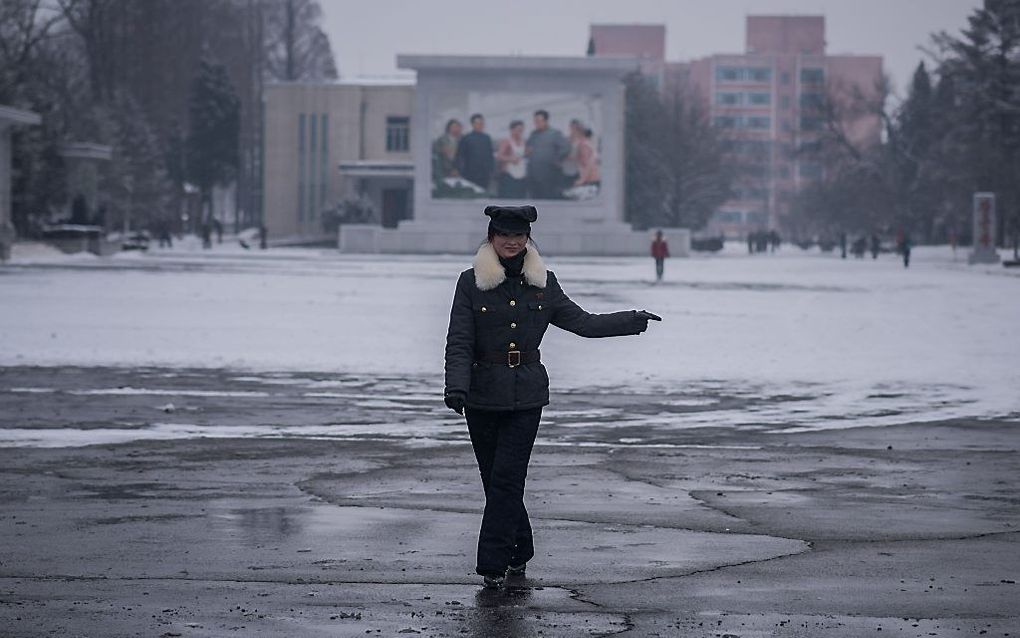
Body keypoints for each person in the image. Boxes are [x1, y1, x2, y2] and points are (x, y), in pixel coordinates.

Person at [444, 205, 661, 589]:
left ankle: (492, 564)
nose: (511, 242)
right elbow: (460, 340)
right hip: (480, 395)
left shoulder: (544, 282)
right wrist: (456, 385)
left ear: (528, 240)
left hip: (526, 395)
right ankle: (519, 551)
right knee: (494, 480)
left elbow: (582, 322)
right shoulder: (469, 282)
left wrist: (630, 320)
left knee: (508, 479)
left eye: (519, 237)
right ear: (491, 239)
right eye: (504, 236)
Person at [524, 110, 570, 199]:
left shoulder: (555, 134)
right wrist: (527, 152)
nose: (536, 124)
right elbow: (527, 149)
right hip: (533, 175)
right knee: (535, 200)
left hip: (549, 175)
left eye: (538, 121)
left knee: (548, 198)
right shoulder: (533, 135)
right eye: (535, 121)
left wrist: (557, 159)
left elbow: (566, 148)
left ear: (546, 121)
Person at [456, 114, 495, 191]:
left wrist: (491, 169)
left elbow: (490, 155)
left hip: (485, 174)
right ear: (472, 124)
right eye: (478, 123)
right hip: (470, 174)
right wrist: (460, 171)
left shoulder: (487, 138)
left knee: (483, 194)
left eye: (482, 123)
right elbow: (460, 156)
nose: (480, 125)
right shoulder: (466, 138)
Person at [495, 120, 527, 198]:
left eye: (521, 130)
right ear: (512, 130)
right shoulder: (506, 141)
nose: (520, 132)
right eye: (518, 130)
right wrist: (510, 159)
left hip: (521, 176)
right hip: (509, 175)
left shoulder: (524, 142)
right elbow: (499, 156)